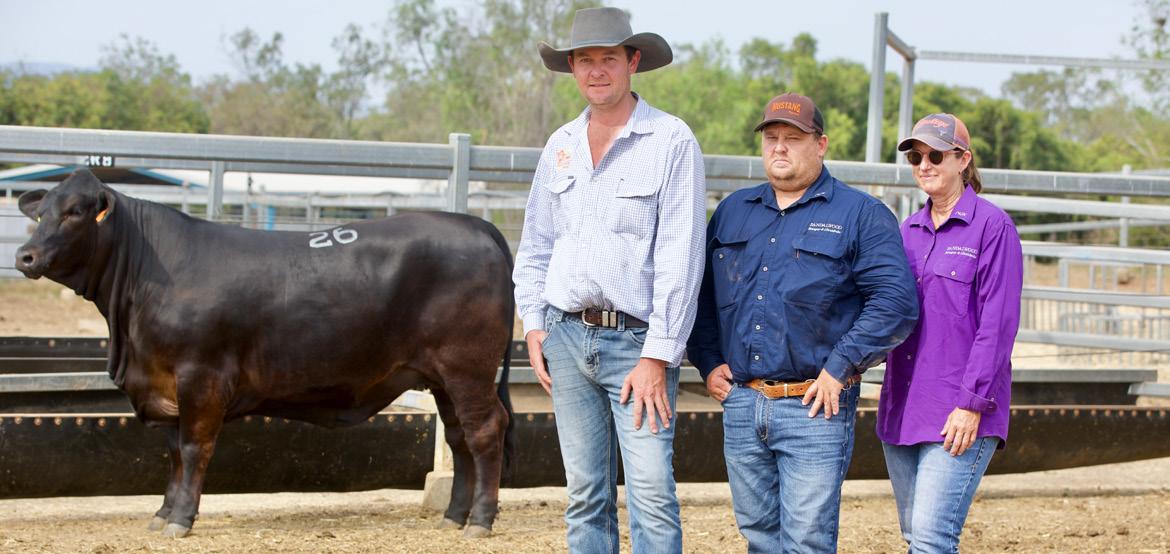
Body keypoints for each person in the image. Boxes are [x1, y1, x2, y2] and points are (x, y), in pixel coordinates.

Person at [686, 92, 918, 553]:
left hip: (815, 404)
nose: (779, 147)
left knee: (807, 539)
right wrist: (708, 361)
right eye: (771, 137)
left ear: (821, 144)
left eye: (792, 138)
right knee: (758, 535)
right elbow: (701, 295)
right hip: (743, 400)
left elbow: (895, 302)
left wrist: (841, 366)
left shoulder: (860, 214)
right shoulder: (733, 211)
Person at [513, 7, 706, 553]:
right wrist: (534, 325)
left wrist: (658, 355)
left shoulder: (670, 140)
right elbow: (536, 244)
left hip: (637, 344)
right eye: (584, 60)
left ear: (632, 62)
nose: (596, 71)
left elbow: (682, 255)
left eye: (608, 59)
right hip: (566, 336)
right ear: (573, 68)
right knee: (584, 494)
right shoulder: (561, 145)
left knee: (651, 493)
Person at [877, 113, 1023, 553]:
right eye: (916, 157)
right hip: (903, 406)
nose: (924, 165)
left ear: (963, 160)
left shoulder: (993, 227)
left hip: (958, 410)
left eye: (936, 155)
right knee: (915, 536)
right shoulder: (906, 232)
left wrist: (971, 403)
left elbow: (997, 325)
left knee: (931, 538)